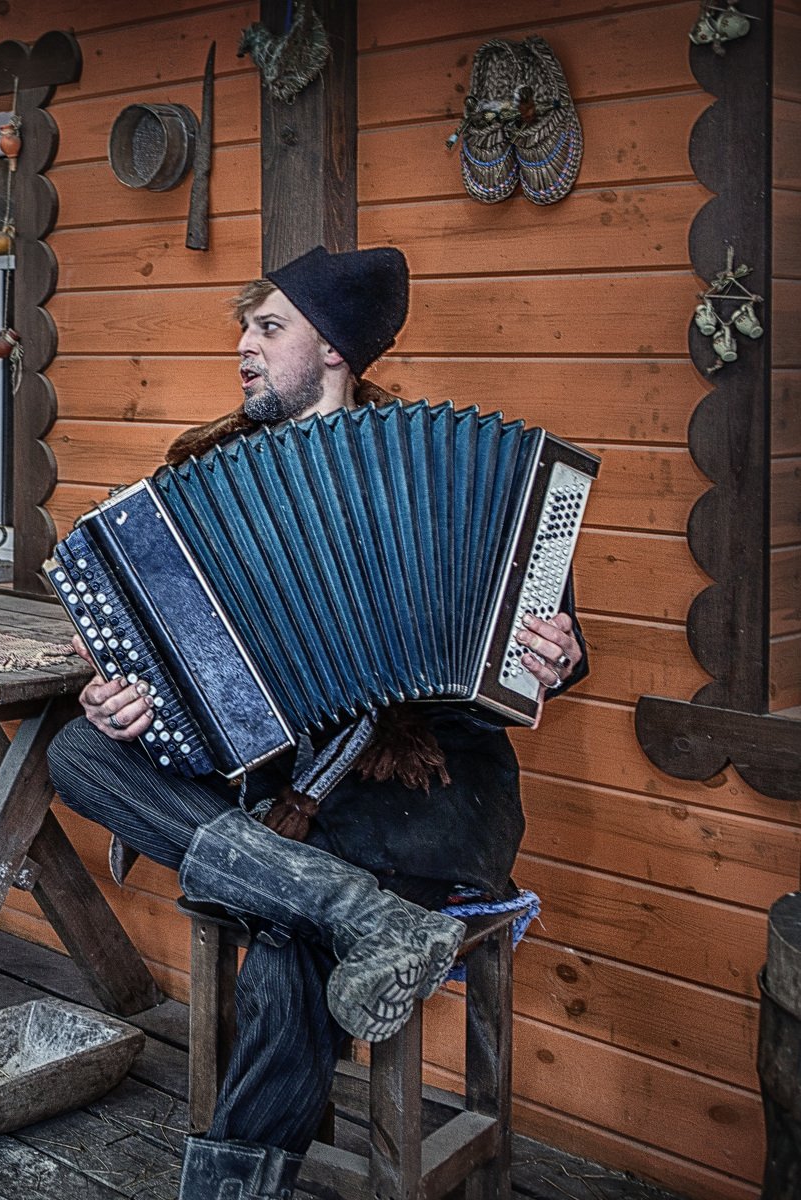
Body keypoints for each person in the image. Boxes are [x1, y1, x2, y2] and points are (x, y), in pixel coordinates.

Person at [46, 245, 587, 1199]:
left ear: (332, 349)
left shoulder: (445, 467)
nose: (244, 351)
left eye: (268, 328)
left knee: (289, 945)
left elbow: (543, 639)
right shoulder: (204, 472)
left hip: (425, 793)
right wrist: (122, 700)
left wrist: (558, 652)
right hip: (271, 784)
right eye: (245, 330)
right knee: (79, 750)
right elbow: (163, 665)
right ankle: (360, 915)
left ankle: (228, 1184)